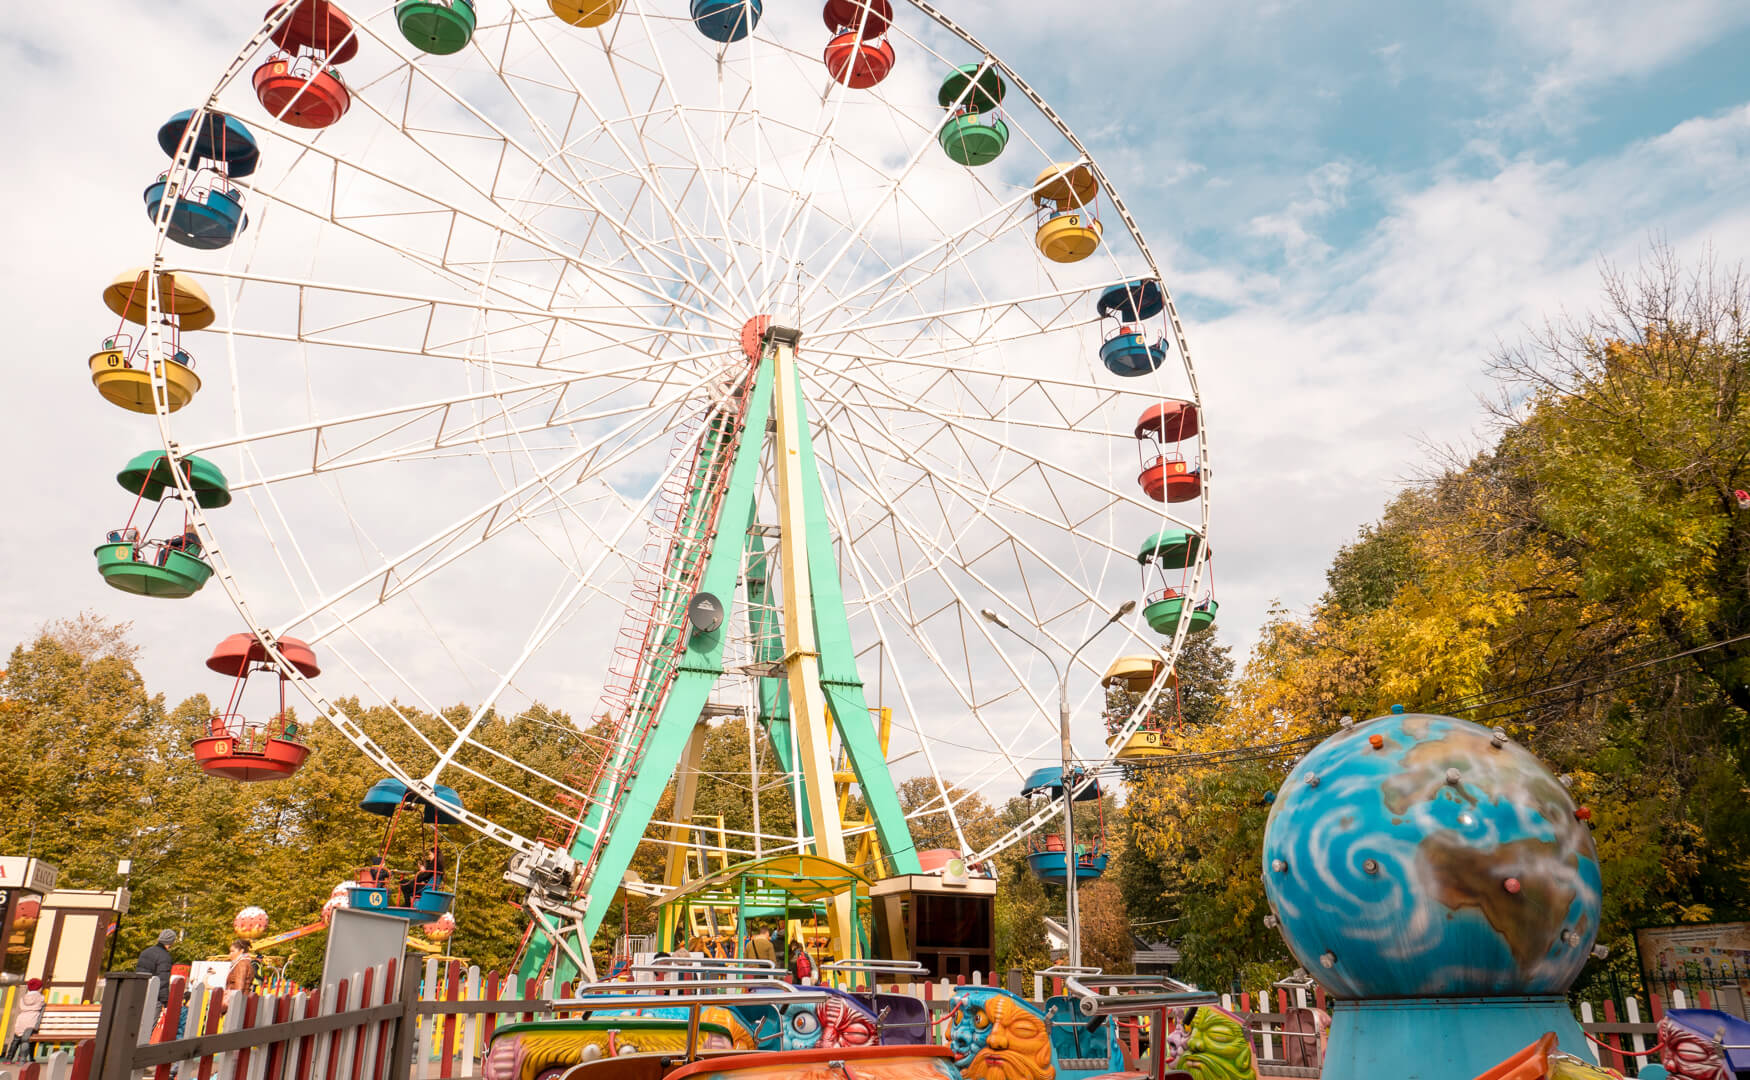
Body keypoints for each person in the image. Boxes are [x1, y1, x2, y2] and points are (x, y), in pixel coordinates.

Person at [4, 978, 44, 1062]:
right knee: (27, 1040)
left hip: (21, 1019)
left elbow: (20, 1005)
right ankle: (21, 1057)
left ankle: (9, 1058)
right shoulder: (40, 998)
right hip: (32, 1020)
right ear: (39, 988)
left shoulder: (23, 998)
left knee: (16, 1039)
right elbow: (42, 1005)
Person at [136, 929, 176, 1012]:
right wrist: (165, 1001)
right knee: (150, 1024)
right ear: (171, 942)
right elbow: (163, 980)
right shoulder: (165, 957)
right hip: (154, 997)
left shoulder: (145, 952)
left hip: (140, 993)